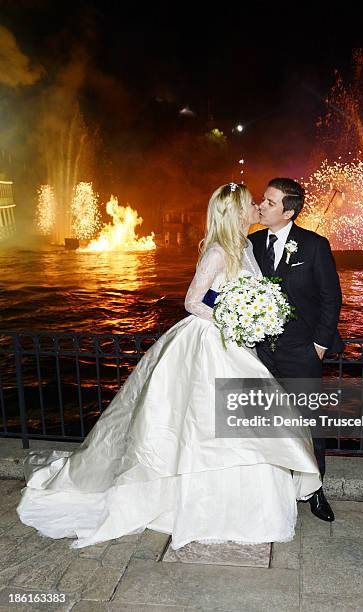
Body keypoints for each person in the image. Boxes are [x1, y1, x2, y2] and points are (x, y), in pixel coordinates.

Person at [17, 182, 322, 550]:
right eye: (250, 203)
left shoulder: (245, 245)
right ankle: (197, 502)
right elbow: (192, 301)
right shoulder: (217, 251)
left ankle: (242, 503)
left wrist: (253, 316)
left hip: (235, 344)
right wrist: (232, 319)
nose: (256, 206)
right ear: (236, 212)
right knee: (201, 424)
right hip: (211, 341)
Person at [249, 177, 343, 522]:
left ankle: (315, 492)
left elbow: (331, 298)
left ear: (288, 212)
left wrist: (318, 346)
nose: (261, 205)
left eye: (270, 202)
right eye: (262, 199)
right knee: (265, 422)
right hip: (259, 352)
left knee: (309, 423)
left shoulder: (314, 245)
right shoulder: (251, 243)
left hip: (302, 351)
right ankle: (271, 491)